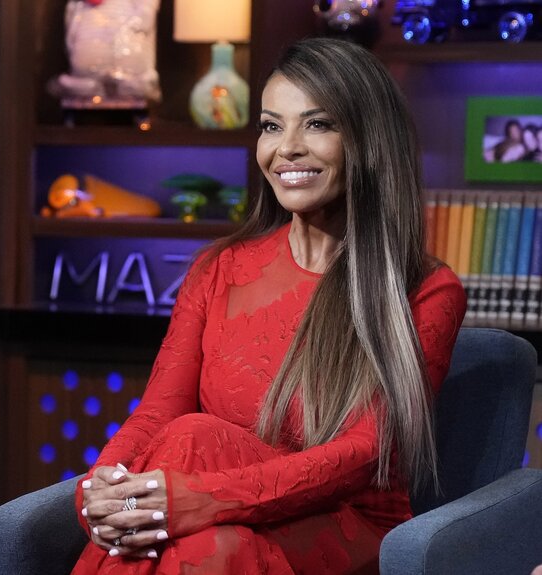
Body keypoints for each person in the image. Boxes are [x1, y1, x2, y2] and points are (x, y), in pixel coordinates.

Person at [74, 37, 467, 574]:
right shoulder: (219, 269)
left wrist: (201, 500)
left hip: (344, 524)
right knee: (198, 481)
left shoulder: (424, 288)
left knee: (197, 460)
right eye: (271, 125)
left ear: (369, 140)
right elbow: (157, 412)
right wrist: (102, 488)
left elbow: (362, 453)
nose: (287, 148)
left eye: (319, 124)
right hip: (218, 530)